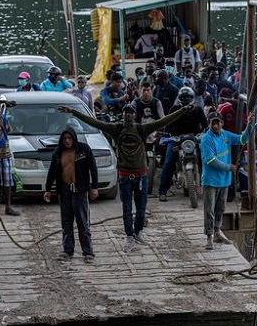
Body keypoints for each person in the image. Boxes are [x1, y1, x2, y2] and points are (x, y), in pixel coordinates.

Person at [58, 103, 192, 253]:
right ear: (123, 115)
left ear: (135, 115)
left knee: (141, 210)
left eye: (130, 113)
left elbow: (163, 121)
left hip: (141, 176)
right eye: (125, 113)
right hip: (124, 177)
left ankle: (138, 231)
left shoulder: (142, 129)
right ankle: (129, 236)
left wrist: (182, 111)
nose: (128, 115)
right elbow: (95, 122)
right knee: (127, 209)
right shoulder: (117, 129)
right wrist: (74, 112)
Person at [200, 111, 255, 250]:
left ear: (222, 123)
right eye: (213, 123)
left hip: (224, 181)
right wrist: (229, 167)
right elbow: (211, 160)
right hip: (210, 181)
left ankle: (217, 232)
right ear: (209, 124)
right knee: (209, 210)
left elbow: (242, 139)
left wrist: (249, 125)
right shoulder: (206, 139)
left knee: (220, 208)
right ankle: (209, 236)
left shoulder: (226, 135)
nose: (216, 125)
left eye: (218, 122)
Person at [44, 127, 98, 263]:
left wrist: (94, 187)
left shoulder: (83, 149)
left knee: (83, 223)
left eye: (69, 138)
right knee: (66, 223)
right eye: (65, 139)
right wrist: (48, 190)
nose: (67, 141)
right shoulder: (58, 152)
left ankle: (88, 252)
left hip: (80, 191)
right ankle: (68, 250)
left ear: (74, 138)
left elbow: (93, 167)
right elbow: (51, 172)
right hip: (64, 191)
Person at [158, 86, 207, 202]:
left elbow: (205, 125)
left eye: (188, 97)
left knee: (206, 159)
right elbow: (168, 124)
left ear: (192, 98)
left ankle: (208, 187)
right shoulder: (175, 109)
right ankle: (163, 191)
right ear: (179, 98)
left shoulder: (198, 110)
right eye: (183, 97)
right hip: (177, 141)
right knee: (169, 162)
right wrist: (167, 133)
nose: (186, 99)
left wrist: (204, 133)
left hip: (194, 140)